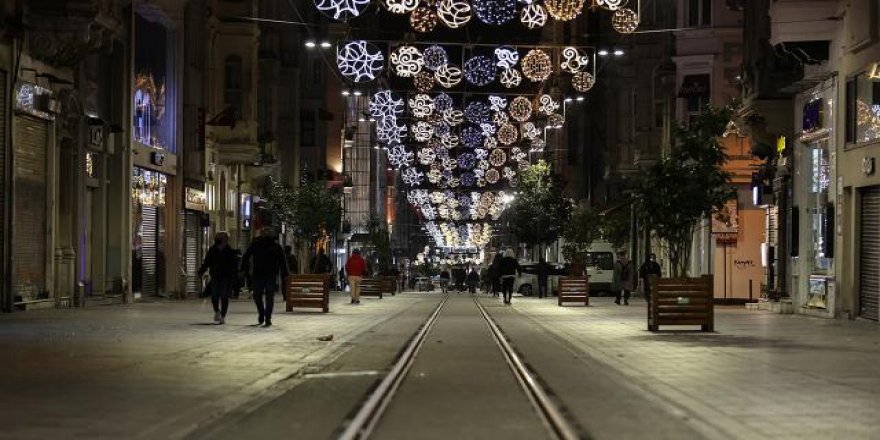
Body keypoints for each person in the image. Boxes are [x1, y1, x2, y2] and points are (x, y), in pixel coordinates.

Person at [241, 227, 288, 326]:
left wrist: (285, 274)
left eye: (268, 233)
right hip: (258, 274)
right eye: (264, 232)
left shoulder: (276, 247)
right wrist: (241, 269)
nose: (266, 234)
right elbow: (246, 256)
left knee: (269, 296)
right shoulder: (256, 244)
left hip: (270, 275)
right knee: (257, 295)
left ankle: (267, 316)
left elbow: (282, 261)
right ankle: (262, 312)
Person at [198, 232, 238, 325]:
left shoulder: (229, 251)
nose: (217, 240)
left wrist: (234, 276)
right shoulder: (212, 250)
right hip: (215, 276)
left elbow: (234, 265)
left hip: (226, 277)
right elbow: (207, 262)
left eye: (220, 238)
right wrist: (201, 272)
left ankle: (223, 316)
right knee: (214, 295)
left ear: (225, 240)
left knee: (224, 296)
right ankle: (217, 311)